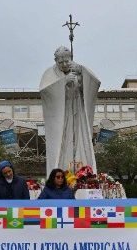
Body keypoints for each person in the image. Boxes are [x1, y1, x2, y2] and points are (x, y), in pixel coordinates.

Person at [40, 46, 100, 174]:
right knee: (64, 139)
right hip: (62, 113)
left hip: (78, 110)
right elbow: (45, 91)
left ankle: (83, 170)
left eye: (67, 61)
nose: (64, 64)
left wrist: (82, 72)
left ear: (71, 58)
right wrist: (63, 82)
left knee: (80, 138)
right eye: (60, 62)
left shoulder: (77, 69)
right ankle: (61, 170)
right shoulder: (49, 73)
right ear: (55, 61)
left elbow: (94, 83)